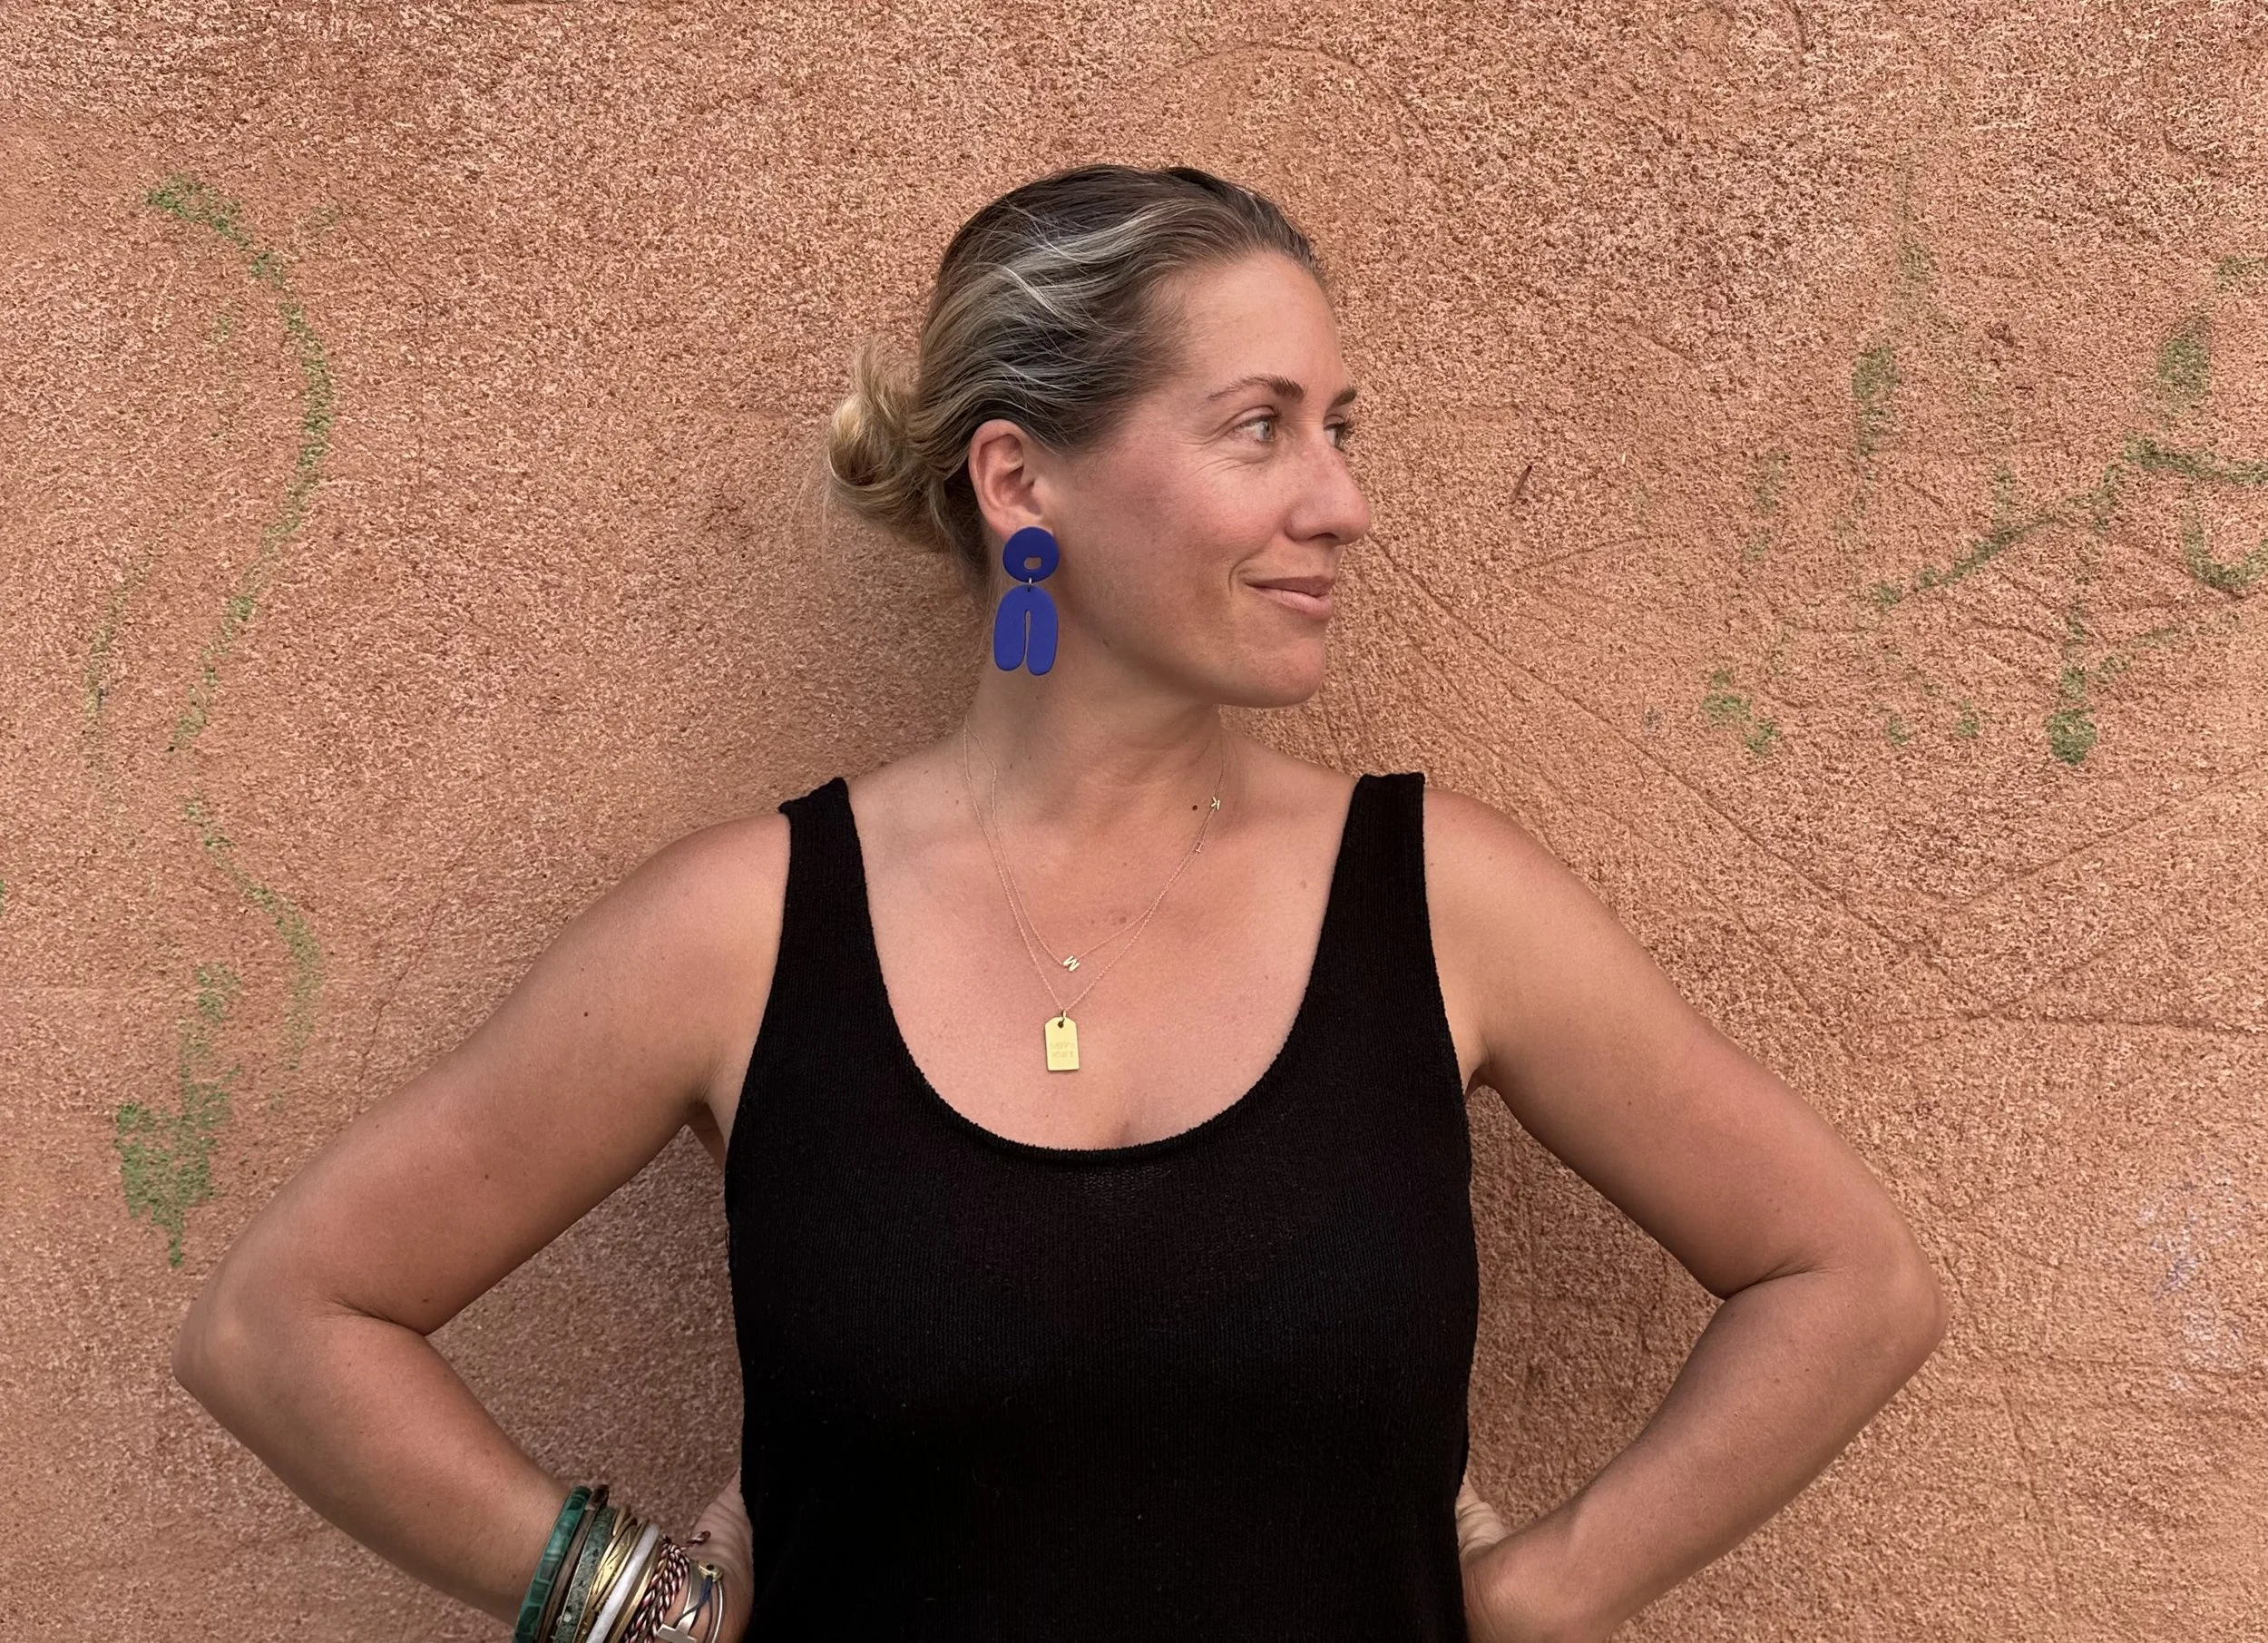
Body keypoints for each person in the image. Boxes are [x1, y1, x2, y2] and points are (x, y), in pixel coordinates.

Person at [172, 162, 1946, 1643]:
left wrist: (1551, 1592)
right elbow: (282, 1323)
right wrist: (642, 1607)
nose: (1342, 502)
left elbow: (1844, 1276)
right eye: (1259, 428)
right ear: (1023, 484)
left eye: (1338, 427)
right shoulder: (746, 934)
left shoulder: (1443, 905)